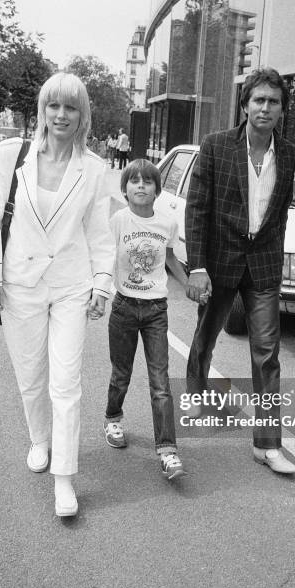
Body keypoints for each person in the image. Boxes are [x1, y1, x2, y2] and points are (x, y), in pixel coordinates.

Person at [0, 72, 114, 516]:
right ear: (43, 109)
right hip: (19, 282)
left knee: (66, 382)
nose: (61, 115)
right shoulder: (9, 156)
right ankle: (40, 439)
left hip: (70, 286)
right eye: (53, 106)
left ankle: (65, 478)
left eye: (71, 107)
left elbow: (99, 234)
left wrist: (103, 283)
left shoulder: (95, 169)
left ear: (82, 115)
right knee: (30, 376)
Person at [185, 67, 295, 475]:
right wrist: (197, 266)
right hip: (218, 265)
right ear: (245, 105)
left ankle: (267, 446)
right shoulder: (216, 146)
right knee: (206, 336)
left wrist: (277, 260)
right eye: (259, 100)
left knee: (267, 356)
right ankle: (196, 392)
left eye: (273, 102)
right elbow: (196, 209)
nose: (265, 107)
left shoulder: (289, 154)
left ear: (282, 110)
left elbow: (280, 214)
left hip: (264, 267)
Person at [103, 159, 187, 480]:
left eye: (147, 181)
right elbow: (102, 254)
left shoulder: (167, 224)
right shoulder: (118, 221)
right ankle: (113, 418)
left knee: (160, 381)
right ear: (125, 189)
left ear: (157, 190)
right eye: (134, 181)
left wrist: (189, 282)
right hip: (124, 306)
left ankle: (167, 451)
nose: (140, 185)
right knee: (121, 373)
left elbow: (170, 259)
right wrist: (93, 288)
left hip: (155, 311)